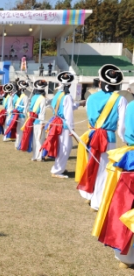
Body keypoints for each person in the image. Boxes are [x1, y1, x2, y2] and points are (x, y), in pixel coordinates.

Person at [75, 64, 126, 211]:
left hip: (92, 135)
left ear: (100, 82)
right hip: (107, 137)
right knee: (104, 169)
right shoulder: (120, 99)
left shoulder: (91, 98)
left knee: (92, 165)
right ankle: (97, 202)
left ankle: (90, 195)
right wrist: (124, 139)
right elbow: (121, 125)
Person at [91, 100, 134, 269]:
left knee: (123, 204)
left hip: (129, 155)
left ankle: (124, 255)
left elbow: (122, 130)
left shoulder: (130, 104)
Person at [41, 72, 85, 178]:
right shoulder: (67, 96)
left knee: (62, 146)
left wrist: (79, 104)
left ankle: (59, 168)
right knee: (65, 148)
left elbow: (66, 107)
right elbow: (68, 113)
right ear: (70, 84)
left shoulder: (58, 94)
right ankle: (57, 170)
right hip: (64, 124)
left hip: (57, 121)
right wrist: (71, 129)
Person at [19, 80, 47, 161]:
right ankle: (39, 156)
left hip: (31, 119)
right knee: (40, 139)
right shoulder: (42, 98)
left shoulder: (34, 97)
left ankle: (34, 156)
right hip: (38, 120)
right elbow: (42, 112)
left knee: (35, 139)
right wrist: (42, 122)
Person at [4, 80, 29, 149]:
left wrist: (12, 112)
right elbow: (25, 109)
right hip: (21, 116)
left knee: (17, 131)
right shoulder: (25, 97)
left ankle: (17, 144)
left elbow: (10, 106)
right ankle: (18, 145)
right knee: (20, 131)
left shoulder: (14, 96)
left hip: (14, 115)